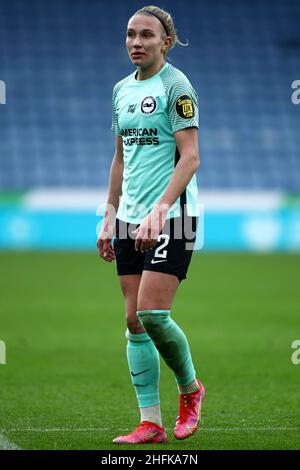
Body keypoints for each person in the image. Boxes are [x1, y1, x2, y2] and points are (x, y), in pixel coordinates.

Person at [97, 5, 205, 444]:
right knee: (133, 321)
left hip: (173, 218)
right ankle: (151, 423)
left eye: (146, 35)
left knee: (152, 312)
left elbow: (192, 157)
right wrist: (109, 215)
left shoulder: (177, 87)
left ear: (166, 41)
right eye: (130, 35)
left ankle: (190, 389)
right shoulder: (122, 90)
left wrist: (160, 209)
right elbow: (121, 159)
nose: (136, 42)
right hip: (127, 219)